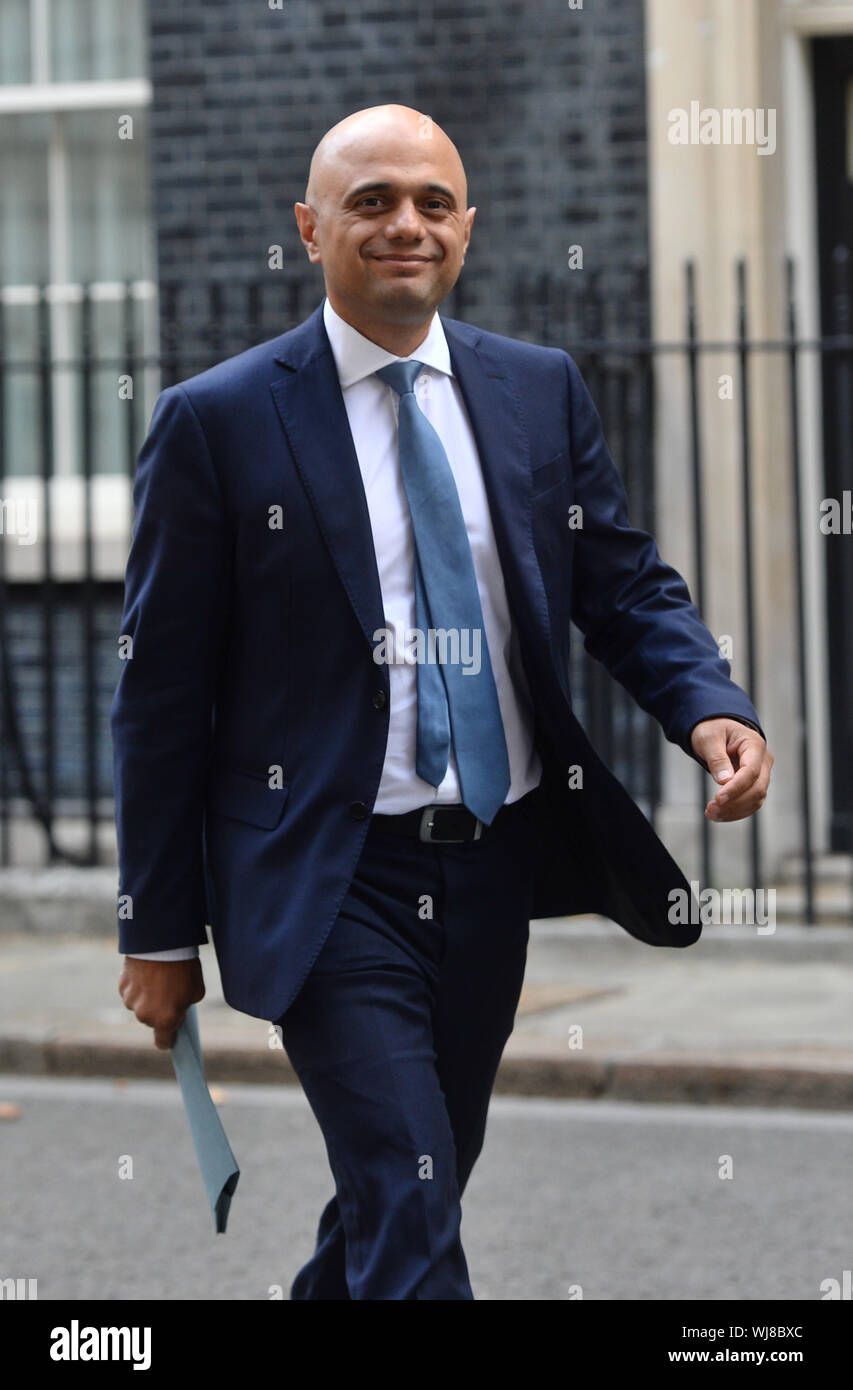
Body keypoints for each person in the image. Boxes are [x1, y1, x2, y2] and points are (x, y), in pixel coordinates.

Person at [113, 104, 774, 1299]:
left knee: (413, 1181)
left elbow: (620, 583)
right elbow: (159, 696)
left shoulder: (535, 389)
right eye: (371, 202)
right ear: (311, 229)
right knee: (410, 1191)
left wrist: (707, 705)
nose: (404, 224)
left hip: (493, 862)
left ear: (466, 228)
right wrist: (156, 929)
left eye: (429, 202)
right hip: (327, 874)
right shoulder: (217, 421)